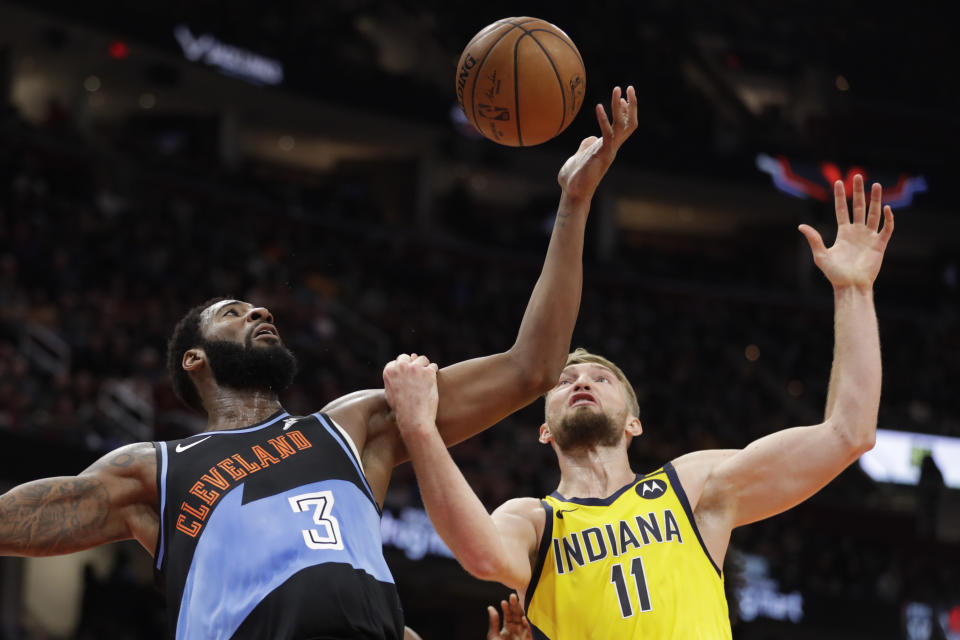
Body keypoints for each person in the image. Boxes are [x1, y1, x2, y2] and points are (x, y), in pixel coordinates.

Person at [0, 86, 638, 639]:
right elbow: (18, 520)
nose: (259, 315)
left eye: (262, 312)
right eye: (234, 312)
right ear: (193, 359)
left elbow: (532, 368)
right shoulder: (155, 471)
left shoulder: (353, 427)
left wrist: (574, 204)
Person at [382, 174, 894, 639]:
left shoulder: (691, 486)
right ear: (545, 432)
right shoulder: (536, 522)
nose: (581, 381)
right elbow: (478, 553)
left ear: (634, 422)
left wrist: (853, 290)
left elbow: (849, 434)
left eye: (601, 378)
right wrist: (421, 429)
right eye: (564, 381)